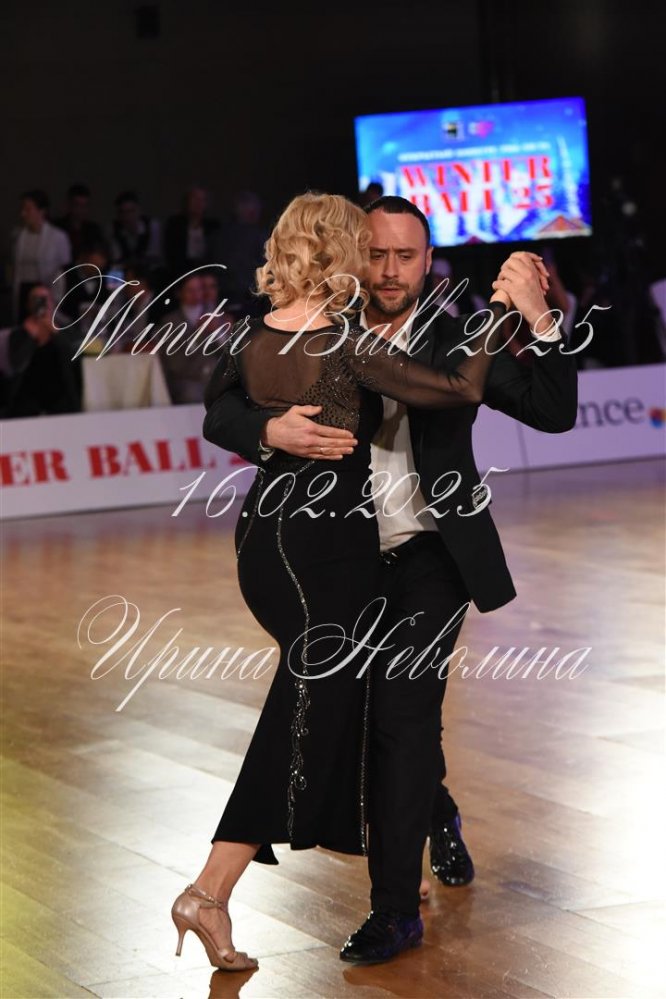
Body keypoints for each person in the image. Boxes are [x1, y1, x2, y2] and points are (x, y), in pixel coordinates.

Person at [203, 195, 577, 963]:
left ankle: (395, 911)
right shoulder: (314, 320)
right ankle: (432, 809)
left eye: (407, 256)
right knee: (353, 712)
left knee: (401, 721)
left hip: (429, 554)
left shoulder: (455, 335)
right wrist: (268, 428)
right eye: (376, 253)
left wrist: (542, 319)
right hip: (330, 558)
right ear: (353, 252)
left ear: (429, 261)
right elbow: (221, 406)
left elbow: (554, 409)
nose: (390, 270)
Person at [9, 190, 72, 322]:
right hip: (23, 290)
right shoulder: (19, 236)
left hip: (44, 291)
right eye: (23, 209)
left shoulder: (58, 237)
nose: (23, 214)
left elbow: (66, 270)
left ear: (41, 211)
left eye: (28, 209)